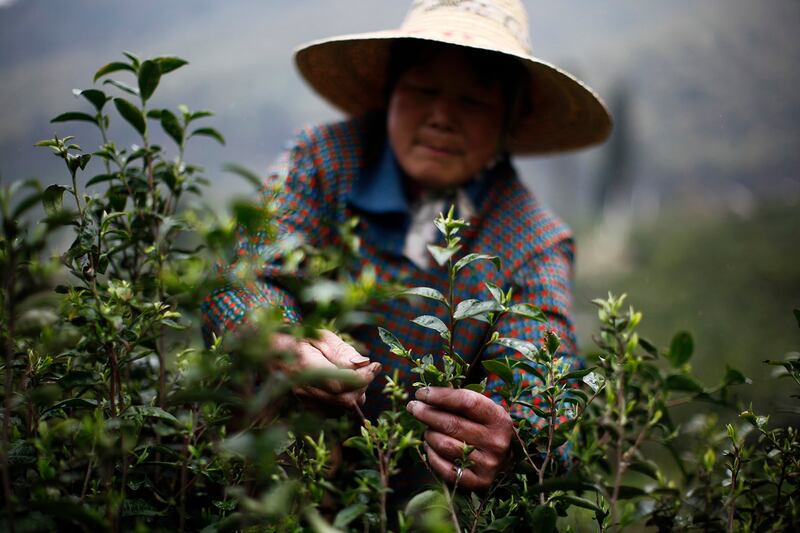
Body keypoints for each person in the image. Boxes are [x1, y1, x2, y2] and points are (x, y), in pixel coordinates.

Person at [202, 0, 611, 492]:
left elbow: (550, 384)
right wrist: (277, 339)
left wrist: (516, 437)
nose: (441, 116)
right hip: (262, 479)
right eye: (423, 89)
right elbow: (243, 270)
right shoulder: (323, 160)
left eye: (473, 100)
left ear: (509, 117)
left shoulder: (532, 242)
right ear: (391, 91)